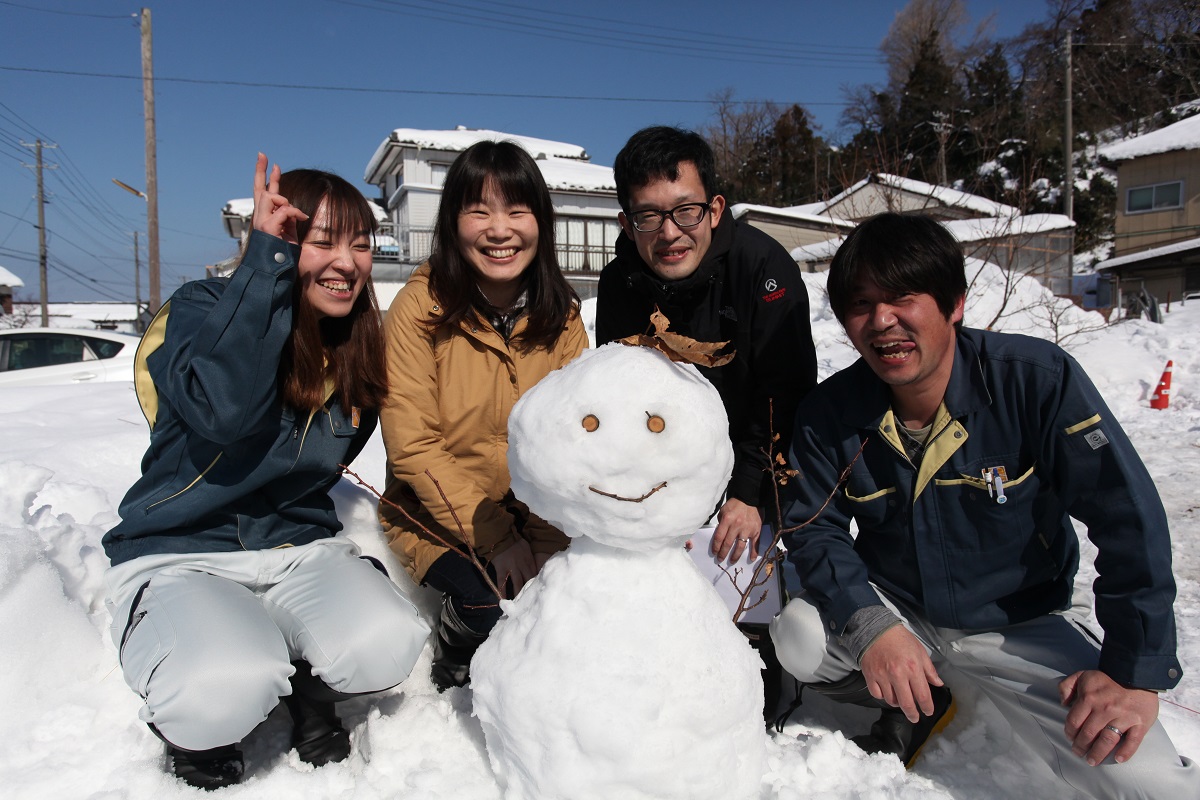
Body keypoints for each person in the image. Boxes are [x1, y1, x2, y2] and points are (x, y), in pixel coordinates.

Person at [770, 212, 1196, 796]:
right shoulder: (832, 412)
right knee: (799, 633)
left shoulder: (1034, 381)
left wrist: (1133, 673)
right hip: (902, 612)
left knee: (1149, 784)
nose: (882, 321)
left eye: (902, 297)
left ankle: (945, 683)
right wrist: (872, 629)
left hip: (1017, 624)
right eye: (862, 304)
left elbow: (1128, 518)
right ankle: (908, 698)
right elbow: (814, 530)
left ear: (955, 304)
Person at [101, 156, 430, 790]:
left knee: (387, 641)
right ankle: (199, 716)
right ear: (279, 243)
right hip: (183, 550)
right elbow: (223, 414)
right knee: (220, 690)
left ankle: (306, 685)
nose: (347, 262)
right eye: (321, 240)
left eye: (360, 245)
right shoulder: (204, 310)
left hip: (296, 550)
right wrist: (266, 267)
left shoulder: (354, 342)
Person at [595, 126, 817, 718]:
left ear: (714, 209)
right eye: (647, 218)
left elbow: (786, 391)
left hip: (752, 456)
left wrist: (749, 491)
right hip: (670, 463)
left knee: (742, 560)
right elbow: (620, 391)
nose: (669, 233)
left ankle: (754, 649)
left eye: (685, 211)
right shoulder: (620, 282)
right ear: (626, 223)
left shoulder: (761, 267)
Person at [378, 140, 588, 692]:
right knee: (488, 600)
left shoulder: (561, 318)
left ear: (540, 222)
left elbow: (570, 444)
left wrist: (542, 545)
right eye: (479, 211)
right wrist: (497, 541)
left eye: (517, 210)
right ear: (453, 222)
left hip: (537, 512)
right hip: (437, 512)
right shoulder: (419, 310)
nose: (500, 230)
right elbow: (413, 446)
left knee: (577, 600)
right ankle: (455, 638)